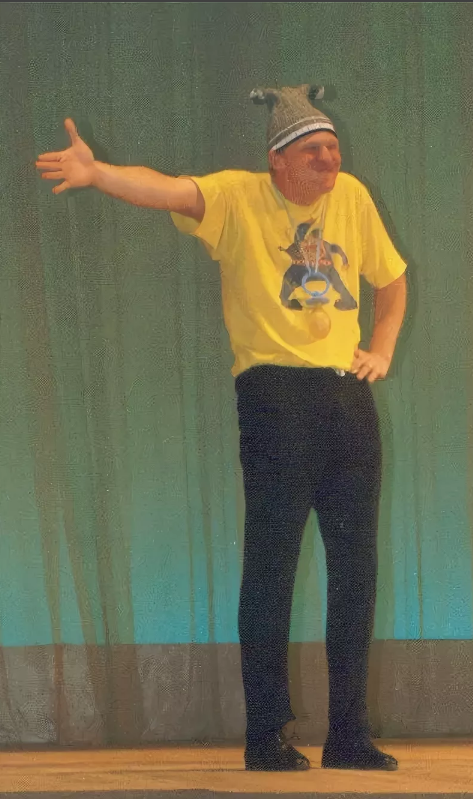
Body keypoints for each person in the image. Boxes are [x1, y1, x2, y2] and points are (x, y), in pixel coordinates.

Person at [36, 84, 408, 772]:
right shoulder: (239, 197)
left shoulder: (352, 198)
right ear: (278, 161)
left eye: (333, 147)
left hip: (346, 396)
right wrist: (97, 173)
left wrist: (380, 348)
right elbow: (166, 190)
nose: (330, 159)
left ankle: (350, 735)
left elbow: (392, 279)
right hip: (274, 395)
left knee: (357, 569)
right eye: (314, 150)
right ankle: (266, 735)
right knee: (271, 566)